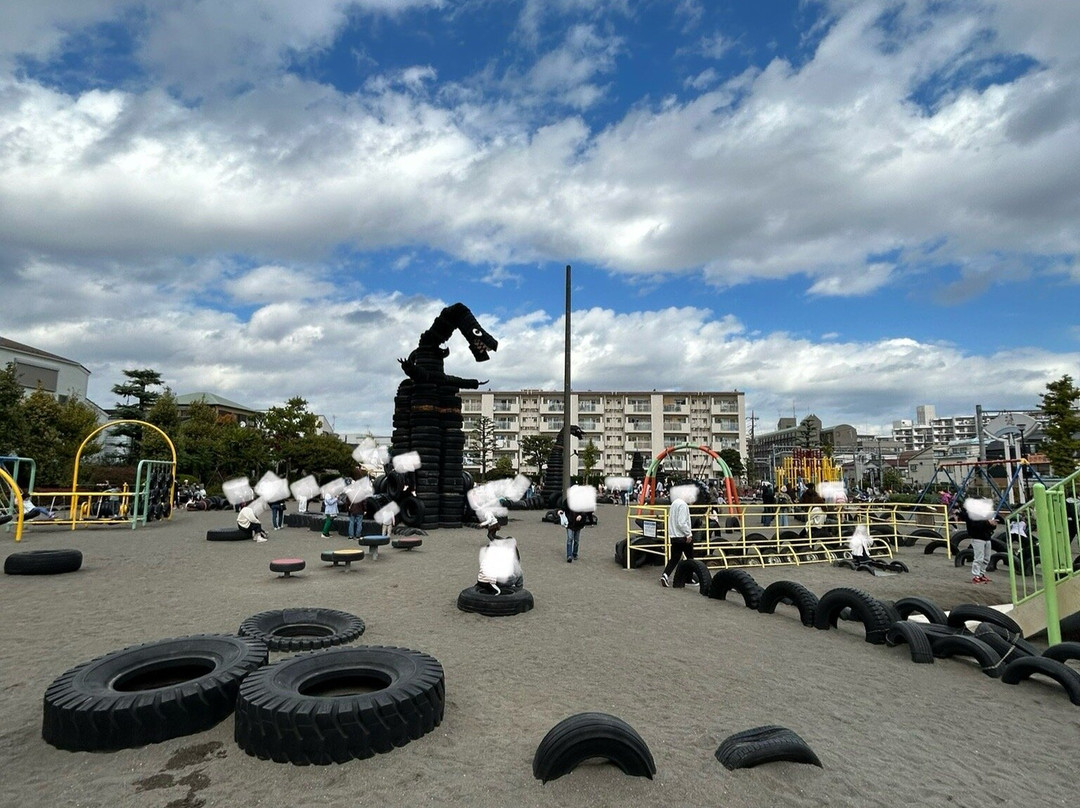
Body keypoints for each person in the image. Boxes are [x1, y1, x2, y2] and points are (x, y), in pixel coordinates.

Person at [962, 498, 998, 584]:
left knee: (986, 558)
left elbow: (987, 526)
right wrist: (988, 523)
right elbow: (975, 526)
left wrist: (993, 525)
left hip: (987, 538)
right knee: (979, 558)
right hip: (977, 538)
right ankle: (976, 576)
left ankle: (981, 574)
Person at [660, 496, 693, 587]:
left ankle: (665, 575)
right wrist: (688, 534)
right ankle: (689, 578)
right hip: (682, 536)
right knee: (690, 557)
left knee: (674, 558)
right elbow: (681, 523)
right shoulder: (683, 505)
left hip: (674, 536)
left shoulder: (674, 503)